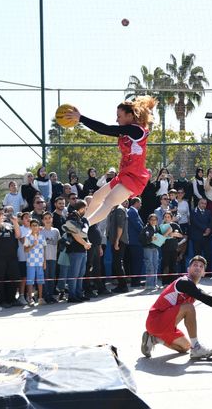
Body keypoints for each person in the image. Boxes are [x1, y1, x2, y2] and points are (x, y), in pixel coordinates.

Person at [62, 96, 157, 226]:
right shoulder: (127, 131)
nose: (116, 119)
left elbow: (106, 128)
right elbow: (103, 130)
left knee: (110, 200)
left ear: (130, 116)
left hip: (135, 177)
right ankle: (83, 225)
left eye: (119, 116)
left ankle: (85, 225)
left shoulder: (136, 130)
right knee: (97, 196)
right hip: (125, 174)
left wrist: (81, 118)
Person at [141, 256, 212, 359]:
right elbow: (206, 299)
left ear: (204, 273)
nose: (198, 267)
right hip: (155, 321)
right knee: (188, 308)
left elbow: (211, 298)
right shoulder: (184, 282)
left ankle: (154, 339)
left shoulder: (194, 289)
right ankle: (196, 348)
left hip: (165, 325)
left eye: (201, 266)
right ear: (188, 269)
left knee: (185, 347)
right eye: (195, 265)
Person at [107, 200, 130, 293]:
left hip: (119, 240)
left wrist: (116, 240)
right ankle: (122, 285)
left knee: (118, 263)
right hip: (116, 240)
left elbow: (120, 227)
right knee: (117, 263)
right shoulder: (115, 210)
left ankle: (123, 286)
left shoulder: (119, 210)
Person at [24, 219, 46, 305]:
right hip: (31, 262)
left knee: (40, 281)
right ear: (30, 227)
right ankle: (30, 299)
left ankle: (40, 298)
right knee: (30, 281)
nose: (35, 227)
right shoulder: (28, 237)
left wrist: (44, 261)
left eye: (36, 225)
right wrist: (33, 245)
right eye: (33, 225)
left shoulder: (42, 236)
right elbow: (25, 249)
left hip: (40, 262)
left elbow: (44, 249)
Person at [190, 198, 212, 270]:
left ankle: (208, 272)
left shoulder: (208, 212)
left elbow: (211, 222)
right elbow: (195, 222)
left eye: (205, 204)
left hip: (207, 238)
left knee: (208, 255)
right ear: (198, 203)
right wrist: (205, 229)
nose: (204, 205)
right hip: (197, 237)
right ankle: (197, 271)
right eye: (202, 203)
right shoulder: (193, 211)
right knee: (197, 256)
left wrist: (209, 229)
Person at [141, 214, 162, 290]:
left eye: (155, 220)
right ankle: (149, 285)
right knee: (150, 266)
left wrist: (160, 240)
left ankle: (154, 284)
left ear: (157, 221)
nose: (153, 221)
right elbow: (142, 240)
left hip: (155, 249)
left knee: (155, 265)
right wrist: (151, 239)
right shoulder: (145, 229)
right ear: (149, 221)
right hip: (148, 249)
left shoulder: (157, 228)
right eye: (151, 220)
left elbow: (159, 240)